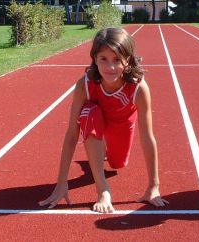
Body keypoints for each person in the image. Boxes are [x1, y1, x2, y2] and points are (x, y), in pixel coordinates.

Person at [38, 27, 168, 213]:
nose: (110, 67)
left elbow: (148, 137)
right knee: (89, 112)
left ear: (128, 60)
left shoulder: (138, 88)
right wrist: (61, 183)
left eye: (117, 60)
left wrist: (154, 186)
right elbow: (71, 134)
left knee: (117, 164)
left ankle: (104, 150)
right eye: (103, 59)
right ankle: (103, 189)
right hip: (96, 121)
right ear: (95, 59)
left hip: (122, 126)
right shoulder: (85, 85)